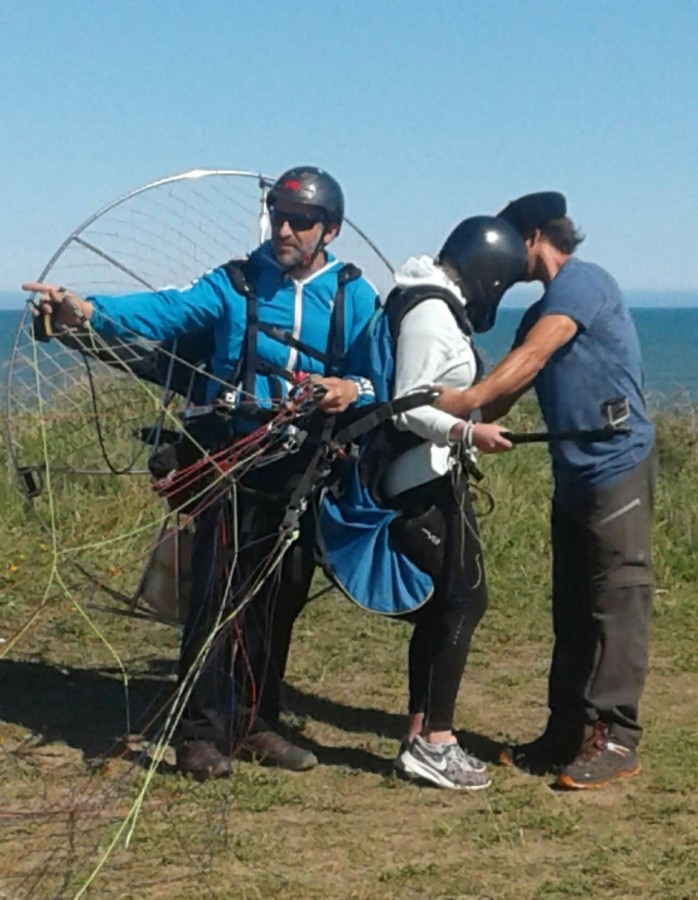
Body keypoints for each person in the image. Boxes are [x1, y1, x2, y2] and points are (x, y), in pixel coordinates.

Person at [24, 166, 380, 779]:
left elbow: (383, 378)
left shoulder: (355, 296)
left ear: (331, 230)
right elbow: (163, 313)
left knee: (277, 599)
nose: (286, 229)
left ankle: (257, 722)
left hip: (303, 471)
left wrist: (350, 386)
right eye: (279, 216)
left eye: (301, 221)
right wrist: (86, 310)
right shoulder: (235, 284)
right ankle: (199, 734)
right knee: (218, 597)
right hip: (230, 462)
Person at [436, 192, 657, 789]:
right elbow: (509, 386)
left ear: (533, 237)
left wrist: (461, 399)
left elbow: (532, 359)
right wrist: (459, 426)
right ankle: (566, 731)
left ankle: (615, 736)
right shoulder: (541, 311)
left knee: (617, 600)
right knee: (572, 607)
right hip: (574, 473)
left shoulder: (583, 284)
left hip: (617, 467)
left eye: (509, 244)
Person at [321, 216, 525, 789]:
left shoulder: (430, 304)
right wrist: (469, 434)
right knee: (463, 600)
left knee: (447, 603)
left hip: (426, 478)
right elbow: (407, 407)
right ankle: (434, 742)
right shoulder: (431, 316)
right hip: (415, 486)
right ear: (487, 275)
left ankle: (422, 735)